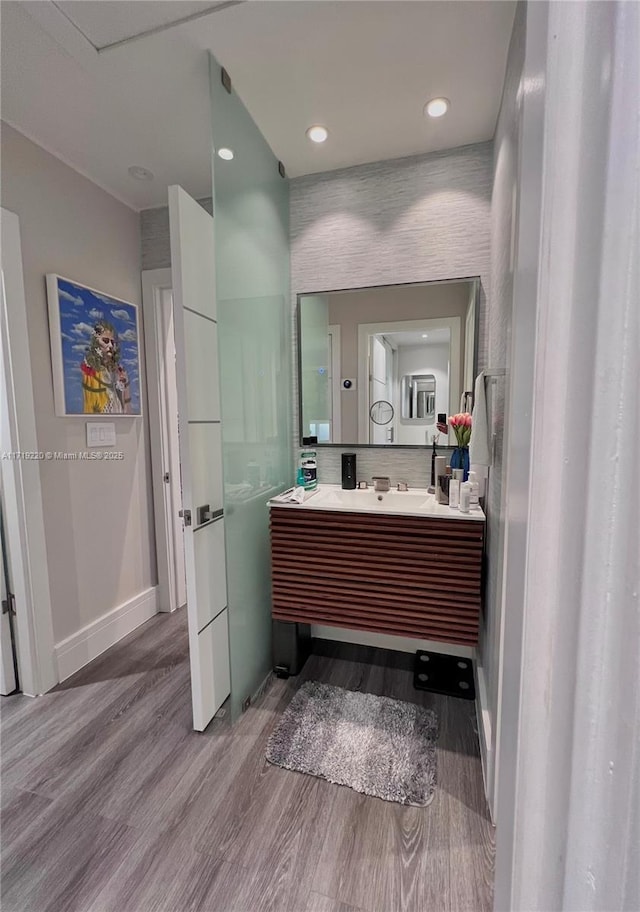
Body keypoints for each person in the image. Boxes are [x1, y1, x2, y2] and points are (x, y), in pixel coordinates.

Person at [80, 322, 131, 414]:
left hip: (119, 413)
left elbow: (127, 402)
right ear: (96, 342)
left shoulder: (120, 371)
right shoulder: (89, 369)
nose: (111, 346)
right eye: (106, 341)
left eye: (112, 342)